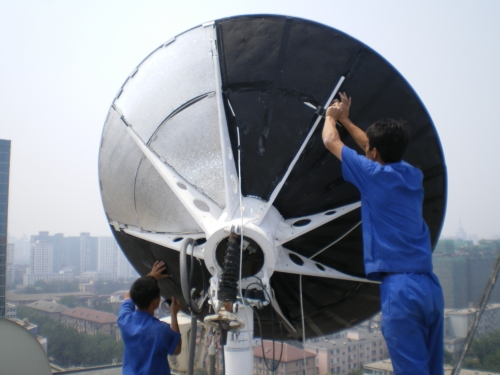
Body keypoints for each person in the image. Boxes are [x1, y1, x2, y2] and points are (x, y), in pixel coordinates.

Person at [322, 93, 444, 375]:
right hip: (430, 287)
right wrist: (347, 119)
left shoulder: (373, 176)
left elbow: (331, 141)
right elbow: (368, 144)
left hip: (401, 292)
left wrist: (330, 117)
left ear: (374, 154)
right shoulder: (413, 175)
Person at [118, 261, 182, 375]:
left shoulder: (124, 320)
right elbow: (176, 349)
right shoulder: (161, 330)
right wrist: (173, 315)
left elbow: (128, 296)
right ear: (155, 302)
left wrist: (151, 276)